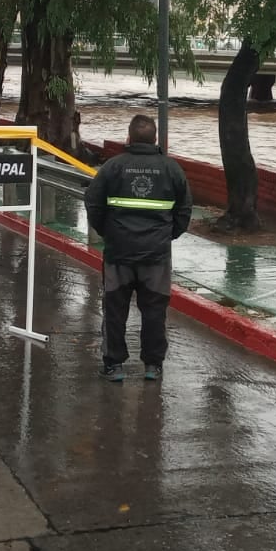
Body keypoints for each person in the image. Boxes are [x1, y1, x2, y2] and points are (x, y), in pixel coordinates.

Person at [83, 113, 192, 383]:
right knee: (155, 310)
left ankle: (114, 366)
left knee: (115, 309)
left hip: (119, 254)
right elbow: (185, 210)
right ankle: (153, 366)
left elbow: (93, 202)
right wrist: (167, 236)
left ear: (128, 138)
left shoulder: (113, 167)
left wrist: (107, 232)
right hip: (156, 256)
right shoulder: (172, 169)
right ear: (155, 139)